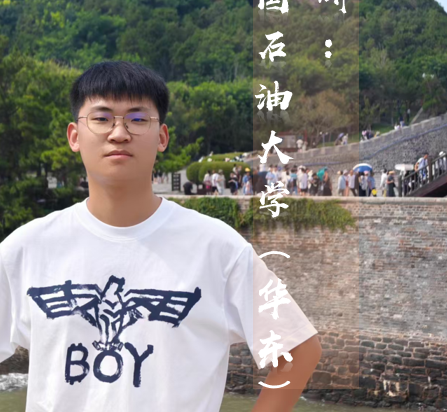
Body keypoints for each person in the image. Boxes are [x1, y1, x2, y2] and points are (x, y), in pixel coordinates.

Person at [0, 61, 321, 412]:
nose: (119, 133)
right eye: (101, 118)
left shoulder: (217, 249)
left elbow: (298, 349)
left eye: (138, 119)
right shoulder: (26, 249)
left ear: (162, 137)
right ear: (74, 136)